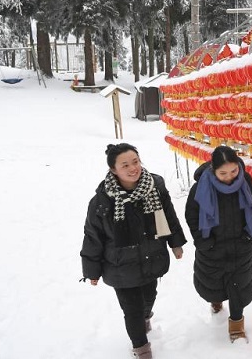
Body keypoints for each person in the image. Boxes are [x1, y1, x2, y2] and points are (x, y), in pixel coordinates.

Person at [81, 143, 187, 359]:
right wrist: (92, 271)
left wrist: (175, 243)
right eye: (125, 165)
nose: (133, 168)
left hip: (150, 257)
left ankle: (146, 316)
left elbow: (168, 215)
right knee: (132, 310)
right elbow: (93, 236)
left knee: (149, 298)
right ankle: (141, 348)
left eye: (135, 162)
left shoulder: (154, 186)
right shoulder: (102, 201)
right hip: (120, 265)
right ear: (113, 170)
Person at [186, 145, 252, 343]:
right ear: (213, 169)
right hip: (213, 245)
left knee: (239, 284)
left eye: (234, 170)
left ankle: (236, 325)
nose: (229, 177)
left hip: (240, 244)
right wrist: (203, 242)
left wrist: (249, 232)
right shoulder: (201, 187)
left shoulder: (245, 181)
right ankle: (216, 301)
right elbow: (192, 215)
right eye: (223, 173)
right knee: (213, 282)